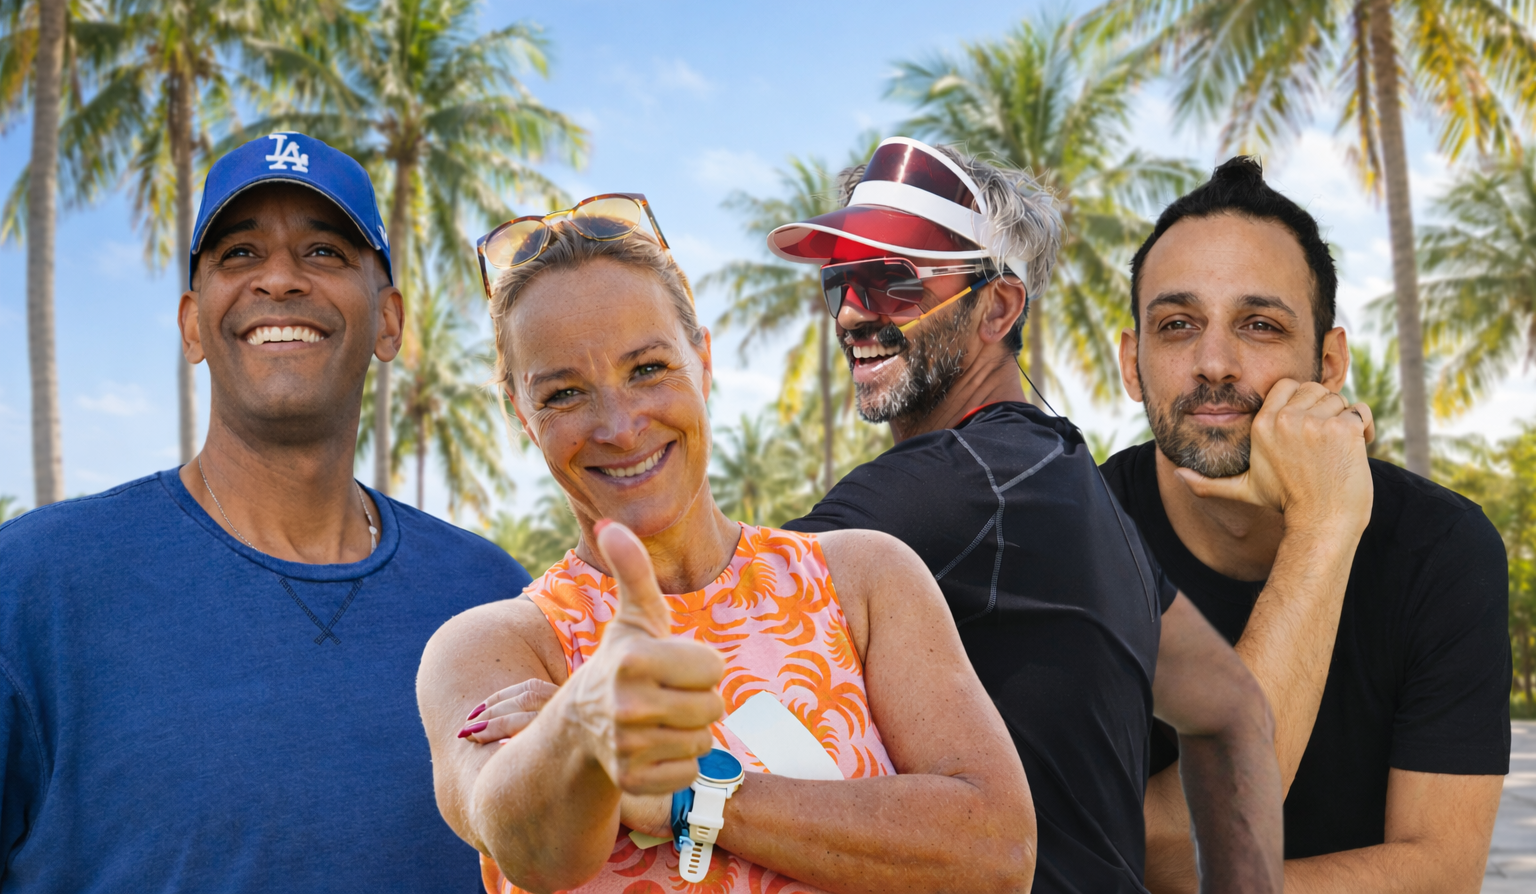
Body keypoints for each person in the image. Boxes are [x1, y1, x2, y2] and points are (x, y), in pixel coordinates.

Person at [416, 197, 1037, 894]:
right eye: (563, 393)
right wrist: (583, 724)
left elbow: (995, 853)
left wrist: (687, 794)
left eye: (648, 368)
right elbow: (528, 846)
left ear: (702, 362)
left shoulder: (863, 580)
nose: (620, 426)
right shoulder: (494, 649)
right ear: (521, 417)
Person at [0, 132, 530, 892]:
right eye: (240, 253)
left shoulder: (488, 600)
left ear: (389, 321)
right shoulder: (31, 588)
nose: (279, 279)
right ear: (191, 323)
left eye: (323, 252)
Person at [770, 136, 1283, 894]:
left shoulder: (961, 485)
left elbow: (715, 606)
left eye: (893, 281)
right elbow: (1234, 710)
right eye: (840, 281)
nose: (852, 313)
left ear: (998, 306)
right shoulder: (1081, 498)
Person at [1099, 156, 1512, 893]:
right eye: (1176, 325)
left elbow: (1443, 871)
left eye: (1258, 325)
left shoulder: (1442, 549)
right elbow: (1142, 848)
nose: (1214, 362)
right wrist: (1323, 529)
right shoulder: (1076, 537)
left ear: (1327, 364)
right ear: (1134, 364)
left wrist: (1325, 524)